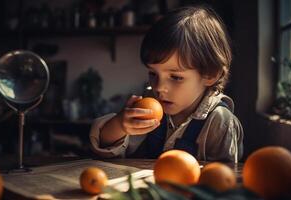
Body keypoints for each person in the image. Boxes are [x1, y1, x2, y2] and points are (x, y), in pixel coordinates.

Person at [89, 6, 244, 162]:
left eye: (176, 77)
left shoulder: (220, 123)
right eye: (153, 74)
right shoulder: (149, 107)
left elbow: (223, 179)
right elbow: (107, 147)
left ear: (210, 74)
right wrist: (120, 125)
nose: (158, 87)